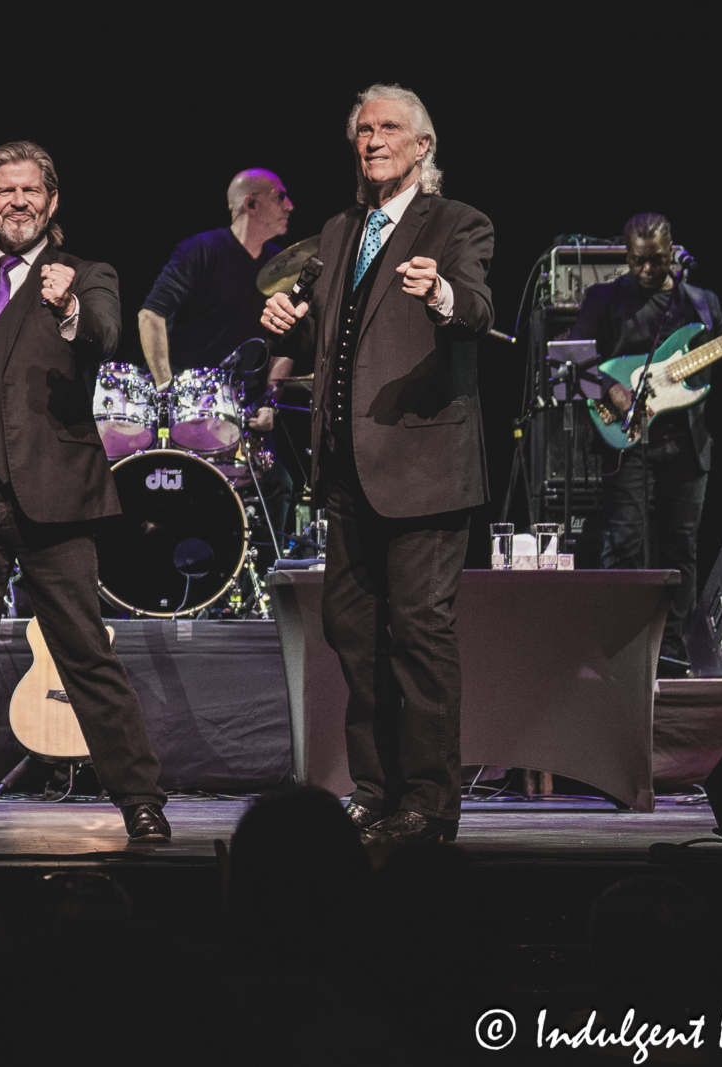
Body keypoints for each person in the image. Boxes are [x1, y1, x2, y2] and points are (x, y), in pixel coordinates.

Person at [0, 141, 170, 844]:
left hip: (54, 497)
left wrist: (69, 305)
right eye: (5, 192)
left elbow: (104, 335)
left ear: (51, 202)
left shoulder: (85, 272)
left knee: (84, 650)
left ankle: (140, 798)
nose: (19, 202)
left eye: (31, 191)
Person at [264, 85, 494, 843]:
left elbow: (479, 311)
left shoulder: (456, 222)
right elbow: (331, 334)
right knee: (354, 632)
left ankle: (429, 803)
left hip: (425, 467)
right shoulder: (338, 231)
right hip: (348, 470)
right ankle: (376, 788)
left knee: (420, 635)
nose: (372, 140)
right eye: (363, 130)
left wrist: (444, 294)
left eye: (389, 128)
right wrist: (287, 328)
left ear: (422, 146)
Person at [570, 214, 722, 675]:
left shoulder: (701, 303)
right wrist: (611, 390)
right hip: (626, 441)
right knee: (624, 546)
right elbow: (574, 356)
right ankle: (619, 655)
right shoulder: (605, 298)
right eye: (636, 262)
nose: (646, 271)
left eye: (655, 261)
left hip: (686, 448)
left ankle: (674, 656)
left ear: (673, 254)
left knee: (681, 552)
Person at [140, 168, 297, 537]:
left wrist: (272, 399)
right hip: (187, 407)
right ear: (251, 203)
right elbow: (150, 316)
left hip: (245, 412)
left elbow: (290, 339)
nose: (290, 205)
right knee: (184, 498)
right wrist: (167, 391)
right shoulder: (202, 250)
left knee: (280, 487)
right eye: (280, 196)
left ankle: (259, 590)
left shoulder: (284, 266)